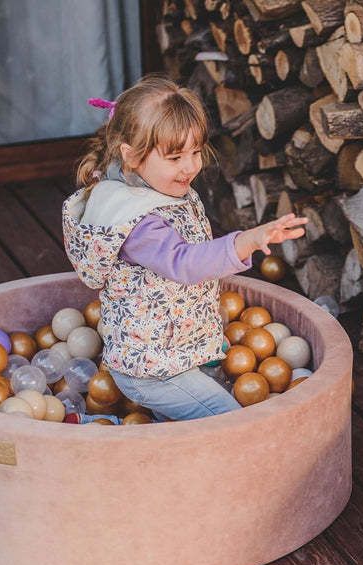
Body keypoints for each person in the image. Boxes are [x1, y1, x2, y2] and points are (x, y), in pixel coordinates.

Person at [62, 74, 307, 421]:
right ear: (131, 157)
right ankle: (94, 425)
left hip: (177, 351)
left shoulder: (155, 185)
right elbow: (183, 262)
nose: (191, 166)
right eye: (175, 156)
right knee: (229, 422)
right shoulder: (135, 220)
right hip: (153, 371)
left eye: (195, 151)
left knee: (183, 434)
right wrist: (248, 240)